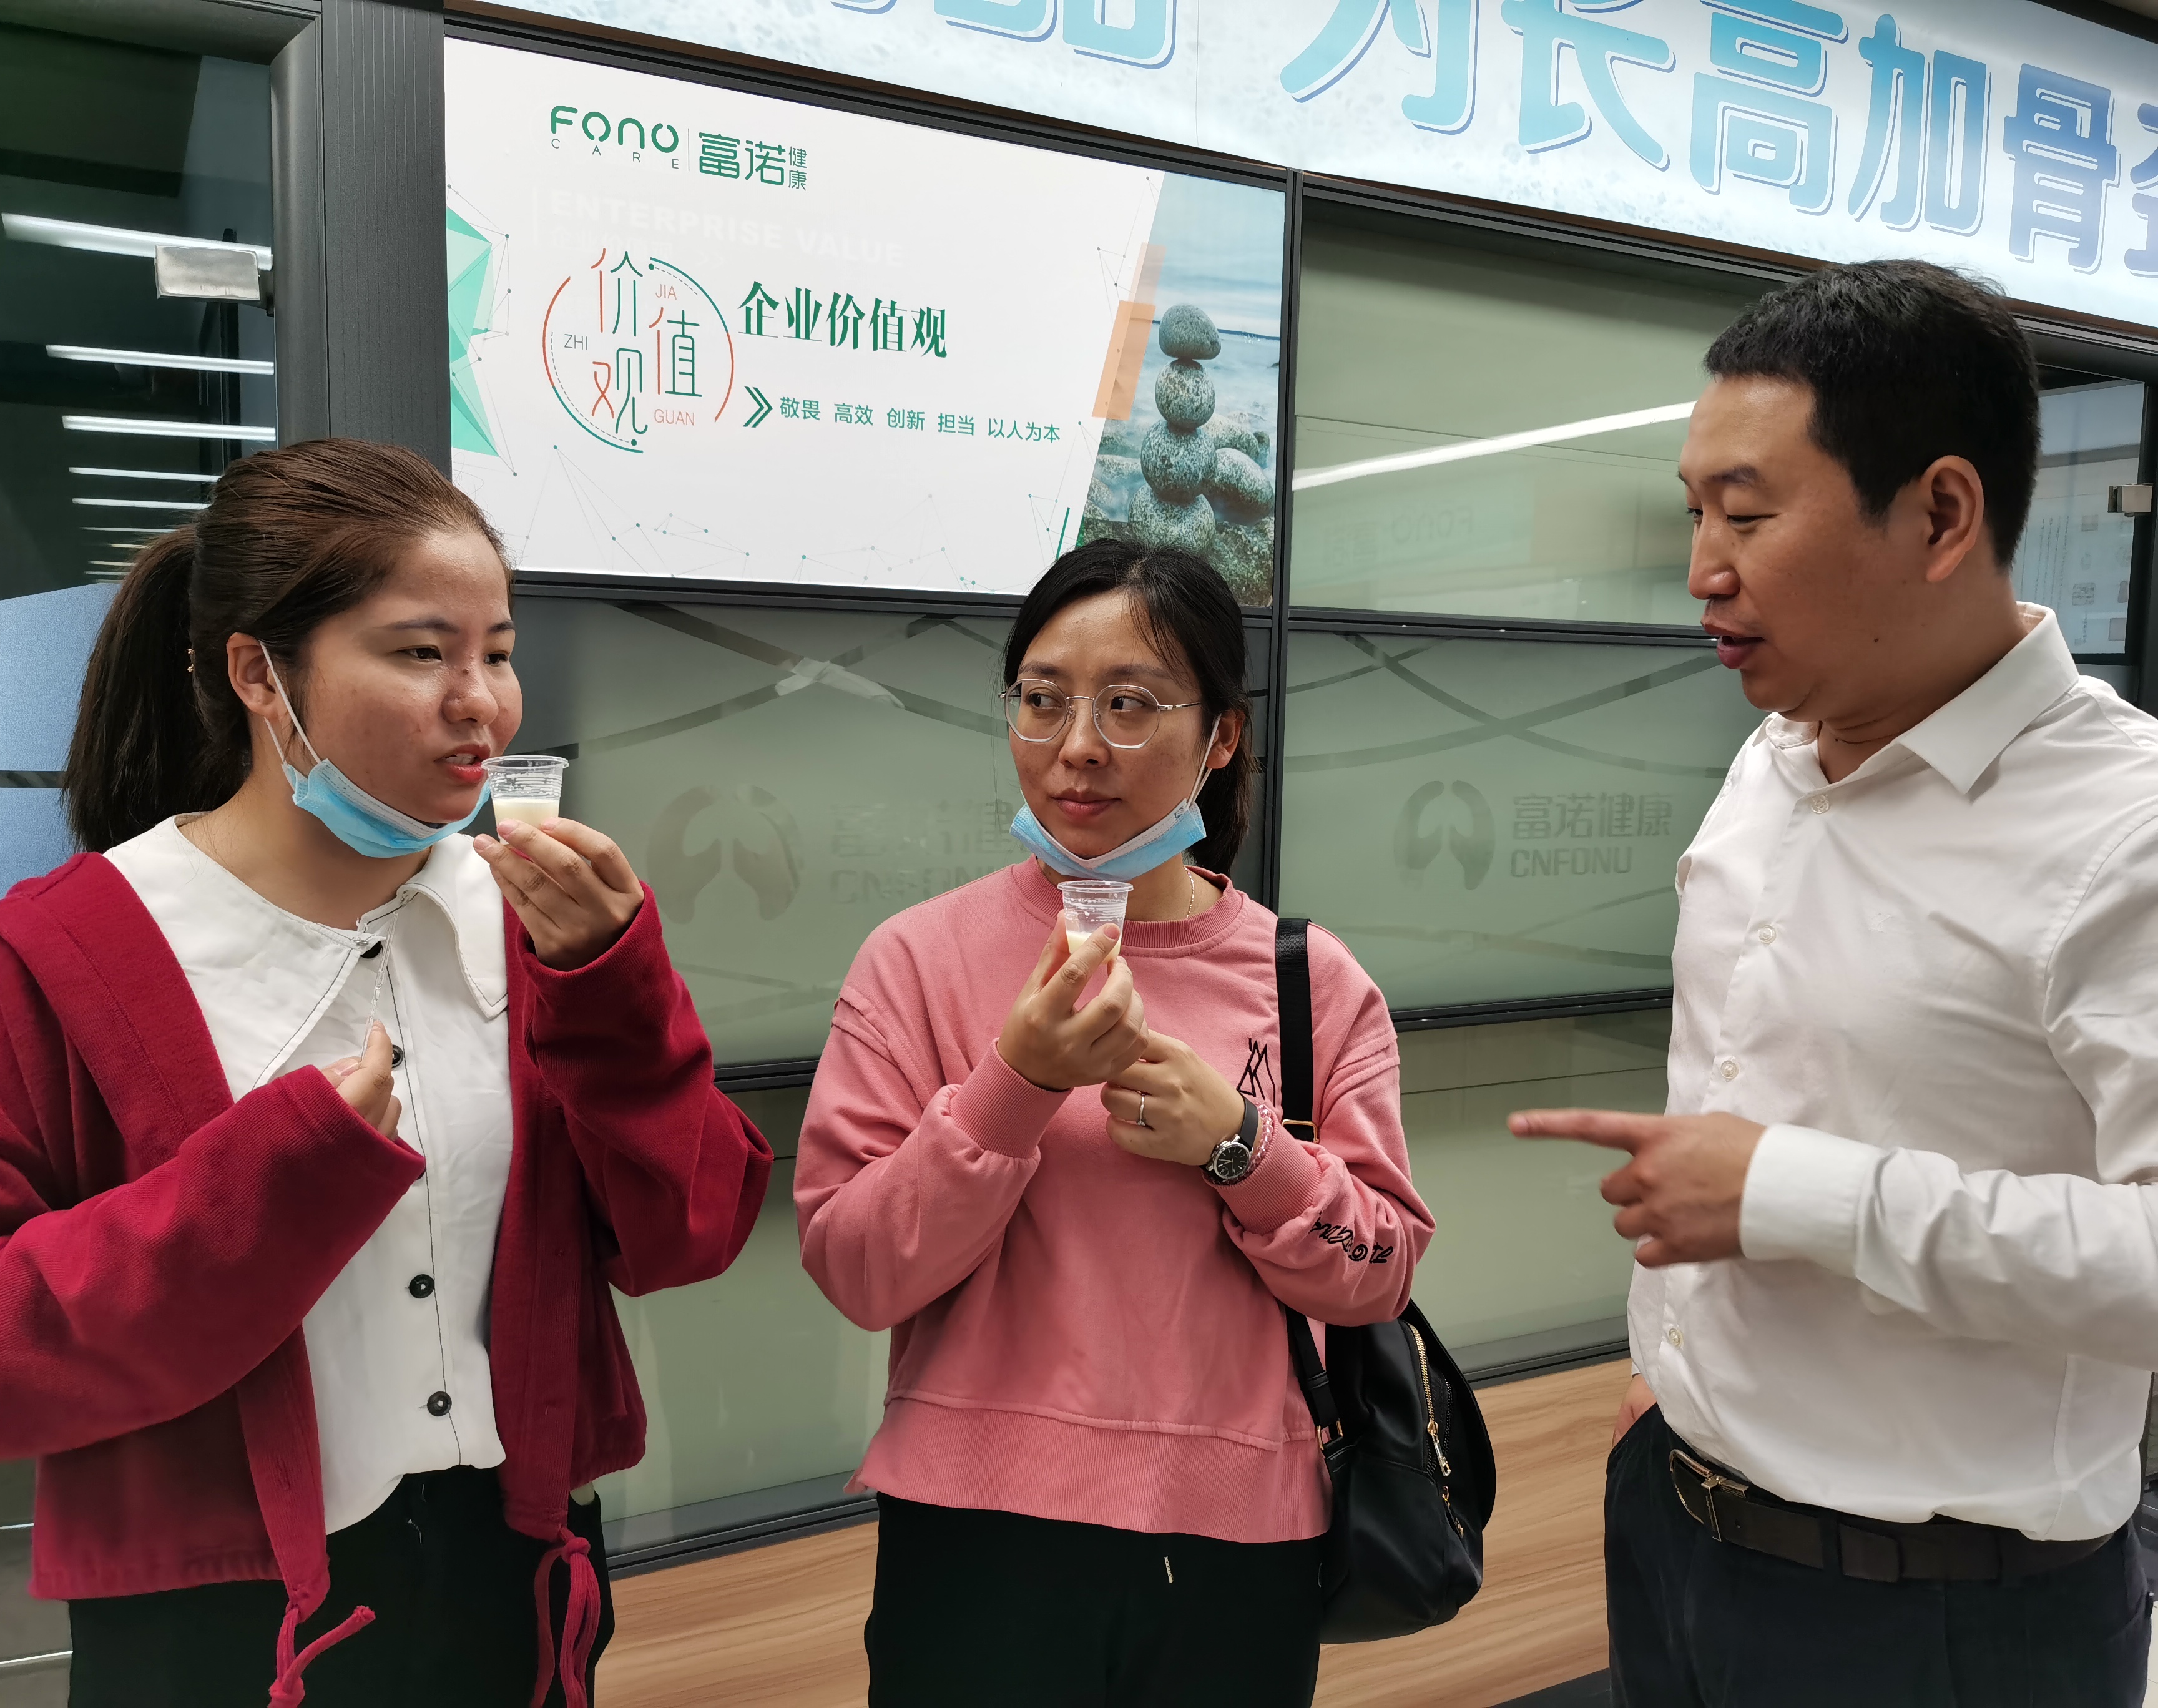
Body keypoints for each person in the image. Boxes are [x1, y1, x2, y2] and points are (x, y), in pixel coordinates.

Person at [0, 439, 773, 1707]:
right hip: (221, 1622)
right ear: (259, 673)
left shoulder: (542, 925)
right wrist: (273, 1183)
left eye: (499, 652)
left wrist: (616, 998)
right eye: (420, 653)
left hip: (516, 1572)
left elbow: (692, 1232)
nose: (482, 704)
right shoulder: (61, 959)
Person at [1509, 261, 2158, 1706]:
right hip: (1679, 1522)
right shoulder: (1777, 751)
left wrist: (1792, 1192)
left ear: (1941, 515)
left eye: (1747, 516)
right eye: (1694, 513)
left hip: (1944, 1617)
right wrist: (1673, 1388)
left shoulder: (2127, 832)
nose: (1703, 568)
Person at [794, 541, 1434, 1708]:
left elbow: (1381, 1273)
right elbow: (856, 1270)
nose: (1077, 745)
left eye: (1130, 705)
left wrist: (1244, 1147)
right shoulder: (916, 961)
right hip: (975, 1527)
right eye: (1043, 700)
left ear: (1222, 737)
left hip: (1238, 1540)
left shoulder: (1311, 982)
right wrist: (1015, 1087)